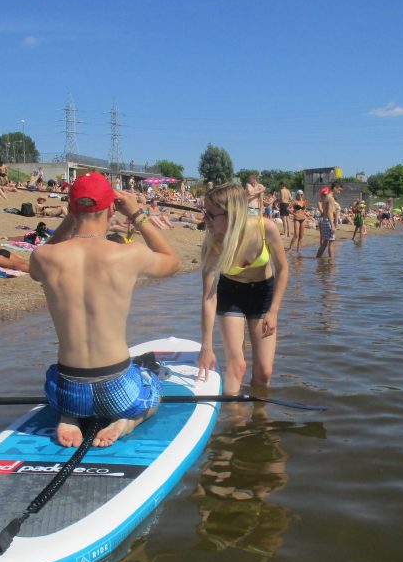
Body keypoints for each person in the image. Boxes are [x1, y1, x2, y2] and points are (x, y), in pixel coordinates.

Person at [29, 172, 181, 448]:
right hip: (116, 388)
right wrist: (137, 214)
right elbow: (172, 262)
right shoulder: (127, 254)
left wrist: (71, 219)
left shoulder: (44, 257)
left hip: (67, 389)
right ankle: (128, 421)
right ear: (112, 209)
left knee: (62, 380)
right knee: (154, 388)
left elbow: (34, 268)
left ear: (71, 210)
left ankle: (70, 416)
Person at [198, 183, 289, 395]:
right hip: (231, 294)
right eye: (204, 213)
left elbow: (283, 270)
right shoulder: (212, 245)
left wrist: (274, 310)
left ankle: (260, 418)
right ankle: (235, 421)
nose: (205, 219)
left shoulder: (265, 228)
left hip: (263, 294)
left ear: (232, 214)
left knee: (264, 372)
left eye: (210, 214)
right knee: (237, 365)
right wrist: (206, 347)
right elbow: (209, 298)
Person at [316, 182, 340, 259]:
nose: (339, 191)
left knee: (325, 243)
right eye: (338, 189)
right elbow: (329, 212)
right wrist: (332, 225)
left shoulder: (326, 197)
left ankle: (317, 258)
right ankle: (331, 262)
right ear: (334, 188)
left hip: (324, 221)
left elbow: (327, 211)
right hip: (328, 221)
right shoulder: (330, 198)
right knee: (331, 243)